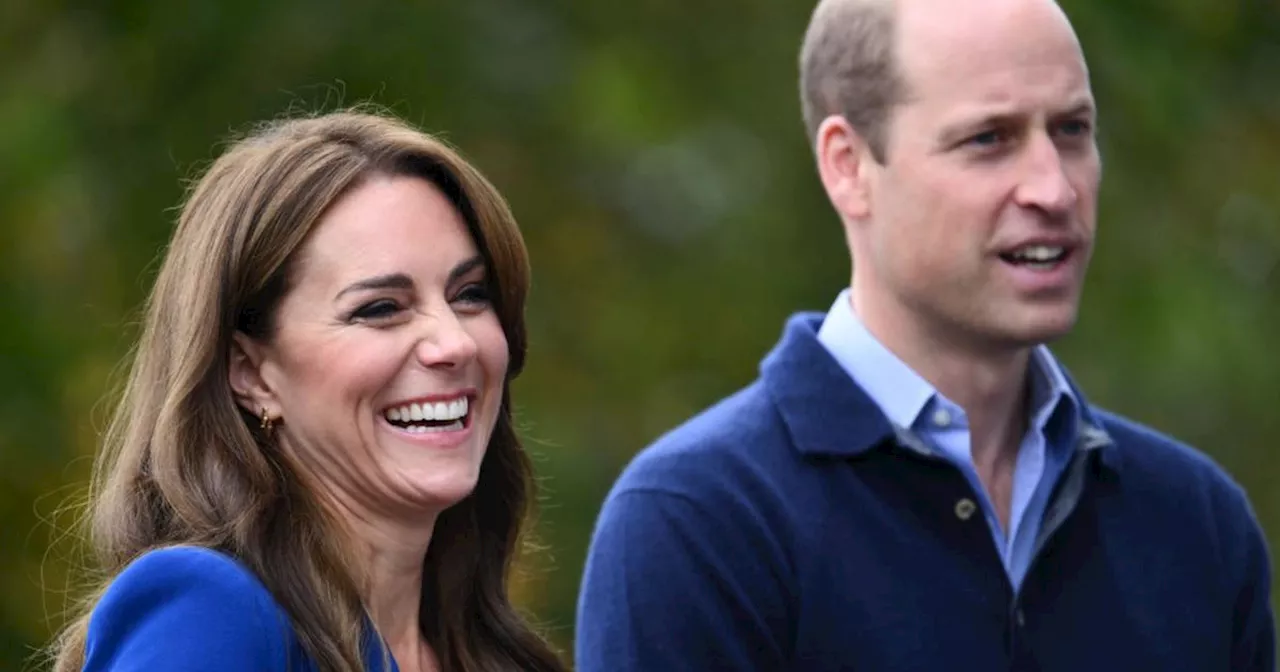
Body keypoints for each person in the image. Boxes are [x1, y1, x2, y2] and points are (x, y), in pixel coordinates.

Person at [574, 0, 1275, 669]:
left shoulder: (1197, 526)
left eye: (1072, 130)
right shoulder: (701, 524)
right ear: (848, 165)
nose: (1054, 189)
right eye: (989, 139)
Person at [48, 110, 568, 672]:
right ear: (249, 372)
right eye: (381, 309)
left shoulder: (499, 655)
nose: (455, 344)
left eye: (469, 294)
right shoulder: (211, 612)